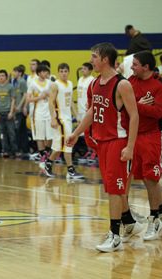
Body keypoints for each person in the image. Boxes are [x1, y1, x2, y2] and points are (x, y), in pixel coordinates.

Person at [66, 42, 139, 253]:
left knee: (115, 190)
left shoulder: (122, 84)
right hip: (102, 143)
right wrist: (76, 132)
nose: (91, 60)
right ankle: (130, 222)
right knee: (111, 189)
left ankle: (115, 234)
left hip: (119, 142)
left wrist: (130, 146)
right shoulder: (95, 83)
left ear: (105, 59)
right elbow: (91, 112)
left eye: (94, 56)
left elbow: (134, 116)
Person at [128, 50, 162, 240]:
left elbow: (157, 112)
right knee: (144, 176)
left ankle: (155, 218)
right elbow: (123, 104)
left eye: (135, 64)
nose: (132, 67)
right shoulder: (131, 81)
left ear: (146, 67)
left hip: (155, 133)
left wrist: (137, 105)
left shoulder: (159, 84)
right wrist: (137, 104)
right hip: (136, 133)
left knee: (151, 176)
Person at [39, 63, 83, 179]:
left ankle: (47, 164)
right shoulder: (55, 85)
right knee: (69, 142)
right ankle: (70, 170)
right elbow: (51, 102)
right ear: (58, 72)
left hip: (68, 118)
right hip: (60, 118)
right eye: (61, 71)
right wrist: (53, 118)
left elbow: (71, 102)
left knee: (58, 146)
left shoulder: (70, 84)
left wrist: (77, 115)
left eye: (65, 71)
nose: (63, 73)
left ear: (68, 72)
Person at [26, 64, 53, 161]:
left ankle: (47, 151)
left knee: (50, 135)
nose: (46, 73)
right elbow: (28, 99)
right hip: (37, 112)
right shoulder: (33, 84)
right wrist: (40, 97)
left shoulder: (50, 83)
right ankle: (42, 155)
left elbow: (54, 96)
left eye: (47, 72)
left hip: (49, 112)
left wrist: (49, 95)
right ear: (40, 73)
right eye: (45, 71)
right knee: (40, 135)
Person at [0, 69, 17, 158]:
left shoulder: (10, 87)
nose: (1, 78)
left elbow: (13, 99)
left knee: (11, 132)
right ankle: (5, 150)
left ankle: (13, 151)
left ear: (6, 77)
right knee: (1, 133)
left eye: (3, 76)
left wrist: (11, 112)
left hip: (8, 112)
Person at [11, 65, 29, 157]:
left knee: (19, 130)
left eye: (15, 71)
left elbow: (25, 95)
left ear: (20, 73)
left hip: (21, 110)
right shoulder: (16, 82)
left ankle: (22, 149)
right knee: (21, 129)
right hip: (17, 109)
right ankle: (23, 149)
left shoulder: (22, 82)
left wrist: (20, 106)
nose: (13, 73)